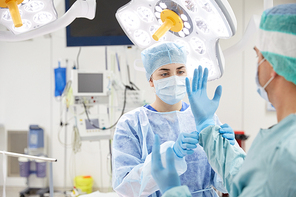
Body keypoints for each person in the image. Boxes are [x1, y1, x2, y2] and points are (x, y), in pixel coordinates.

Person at [151, 4, 296, 197]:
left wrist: (173, 192)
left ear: (274, 65)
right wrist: (207, 127)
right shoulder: (283, 144)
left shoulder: (284, 154)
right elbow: (245, 179)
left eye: (258, 55)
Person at [112, 42, 236, 197]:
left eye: (180, 71)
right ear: (151, 80)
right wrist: (170, 156)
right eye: (164, 73)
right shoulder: (132, 124)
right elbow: (125, 187)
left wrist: (228, 153)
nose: (174, 79)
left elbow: (225, 185)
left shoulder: (203, 118)